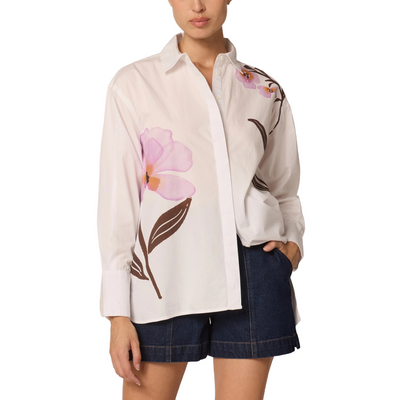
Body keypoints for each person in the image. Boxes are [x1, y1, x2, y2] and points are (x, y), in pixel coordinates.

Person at [97, 0, 305, 399]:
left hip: (254, 268)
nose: (197, 5)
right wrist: (118, 313)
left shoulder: (265, 91)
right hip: (165, 272)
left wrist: (292, 247)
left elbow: (284, 189)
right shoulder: (133, 84)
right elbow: (117, 201)